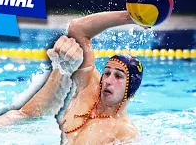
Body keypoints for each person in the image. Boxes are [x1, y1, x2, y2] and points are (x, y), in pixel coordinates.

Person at [60, 10, 144, 144]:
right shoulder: (89, 87)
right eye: (107, 73)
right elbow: (77, 29)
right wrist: (128, 17)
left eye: (118, 76)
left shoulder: (124, 131)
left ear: (131, 88)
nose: (108, 81)